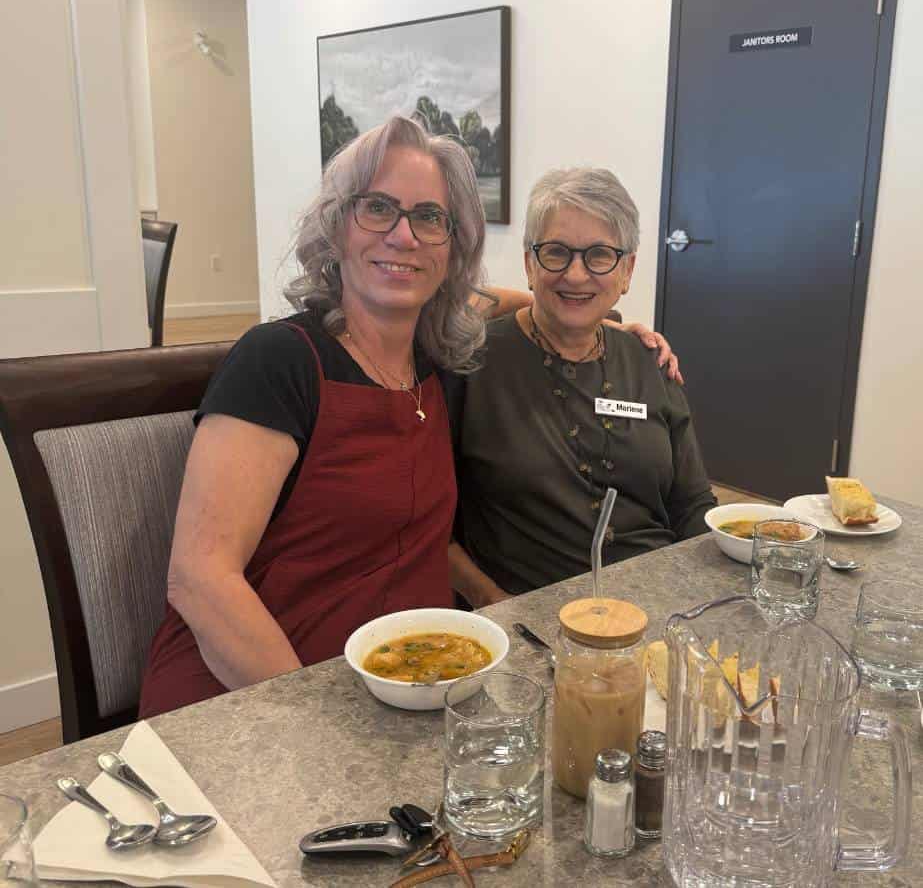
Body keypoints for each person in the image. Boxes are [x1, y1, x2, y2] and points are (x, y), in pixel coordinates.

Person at [139, 117, 677, 717]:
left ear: (453, 246)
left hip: (416, 683)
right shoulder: (280, 360)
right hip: (262, 698)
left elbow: (497, 299)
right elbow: (199, 579)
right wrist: (309, 724)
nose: (404, 236)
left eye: (429, 218)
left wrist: (600, 321)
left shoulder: (439, 358)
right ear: (337, 226)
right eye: (377, 208)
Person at [451, 167, 716, 604]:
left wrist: (716, 591)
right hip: (533, 618)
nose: (576, 275)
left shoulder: (649, 362)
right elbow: (430, 530)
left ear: (627, 270)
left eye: (599, 255)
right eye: (556, 253)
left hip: (658, 602)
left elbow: (692, 504)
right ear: (529, 265)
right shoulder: (471, 366)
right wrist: (498, 608)